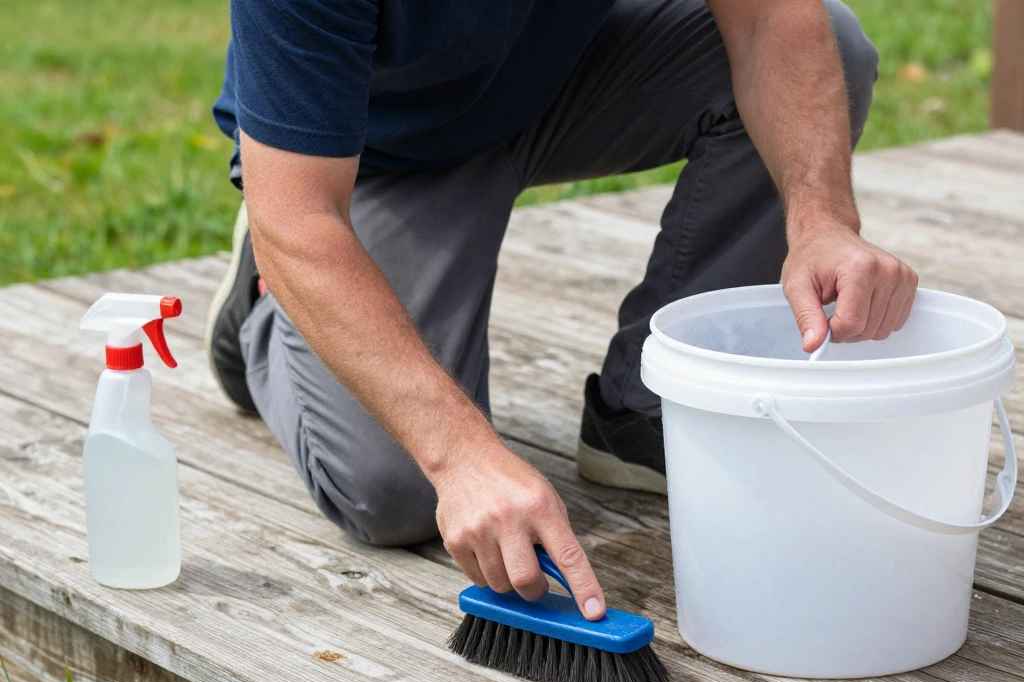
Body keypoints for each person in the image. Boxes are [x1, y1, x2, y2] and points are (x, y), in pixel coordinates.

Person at [208, 0, 917, 623]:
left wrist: (823, 221)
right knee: (396, 494)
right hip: (374, 153)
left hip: (552, 76)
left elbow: (770, 21)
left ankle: (638, 411)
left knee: (836, 45)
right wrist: (460, 457)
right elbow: (300, 216)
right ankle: (271, 301)